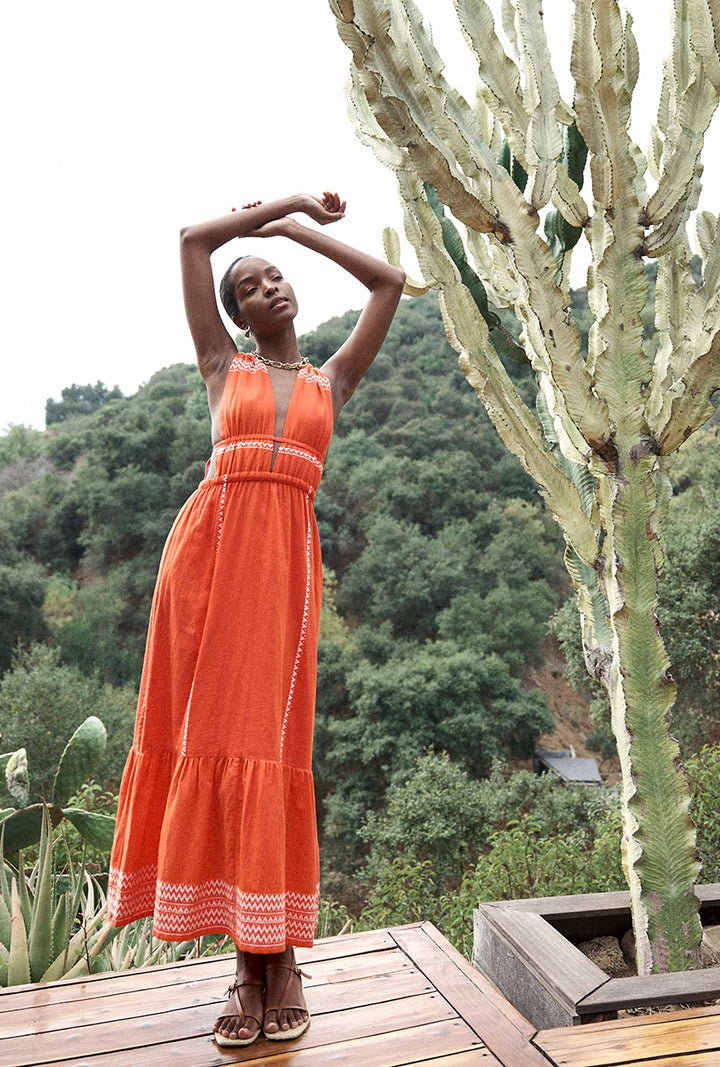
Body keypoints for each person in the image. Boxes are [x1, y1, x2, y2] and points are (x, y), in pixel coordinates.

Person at [107, 192, 405, 1047]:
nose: (266, 286)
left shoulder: (331, 380)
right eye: (249, 286)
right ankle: (247, 964)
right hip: (205, 561)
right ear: (234, 314)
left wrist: (298, 234)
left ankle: (282, 961)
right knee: (207, 737)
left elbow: (387, 283)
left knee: (273, 747)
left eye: (276, 278)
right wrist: (266, 210)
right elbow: (192, 240)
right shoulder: (221, 368)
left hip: (284, 572)